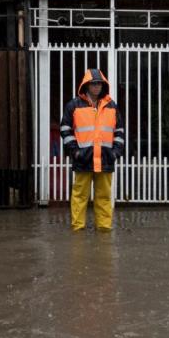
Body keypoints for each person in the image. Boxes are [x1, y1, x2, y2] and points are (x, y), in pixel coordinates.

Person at [60, 68, 125, 231]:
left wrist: (115, 153)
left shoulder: (112, 106)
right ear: (86, 85)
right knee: (80, 196)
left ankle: (104, 229)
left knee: (104, 197)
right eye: (93, 84)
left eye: (100, 84)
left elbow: (119, 132)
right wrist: (75, 151)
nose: (97, 87)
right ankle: (78, 228)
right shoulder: (74, 105)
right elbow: (65, 130)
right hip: (83, 158)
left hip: (105, 159)